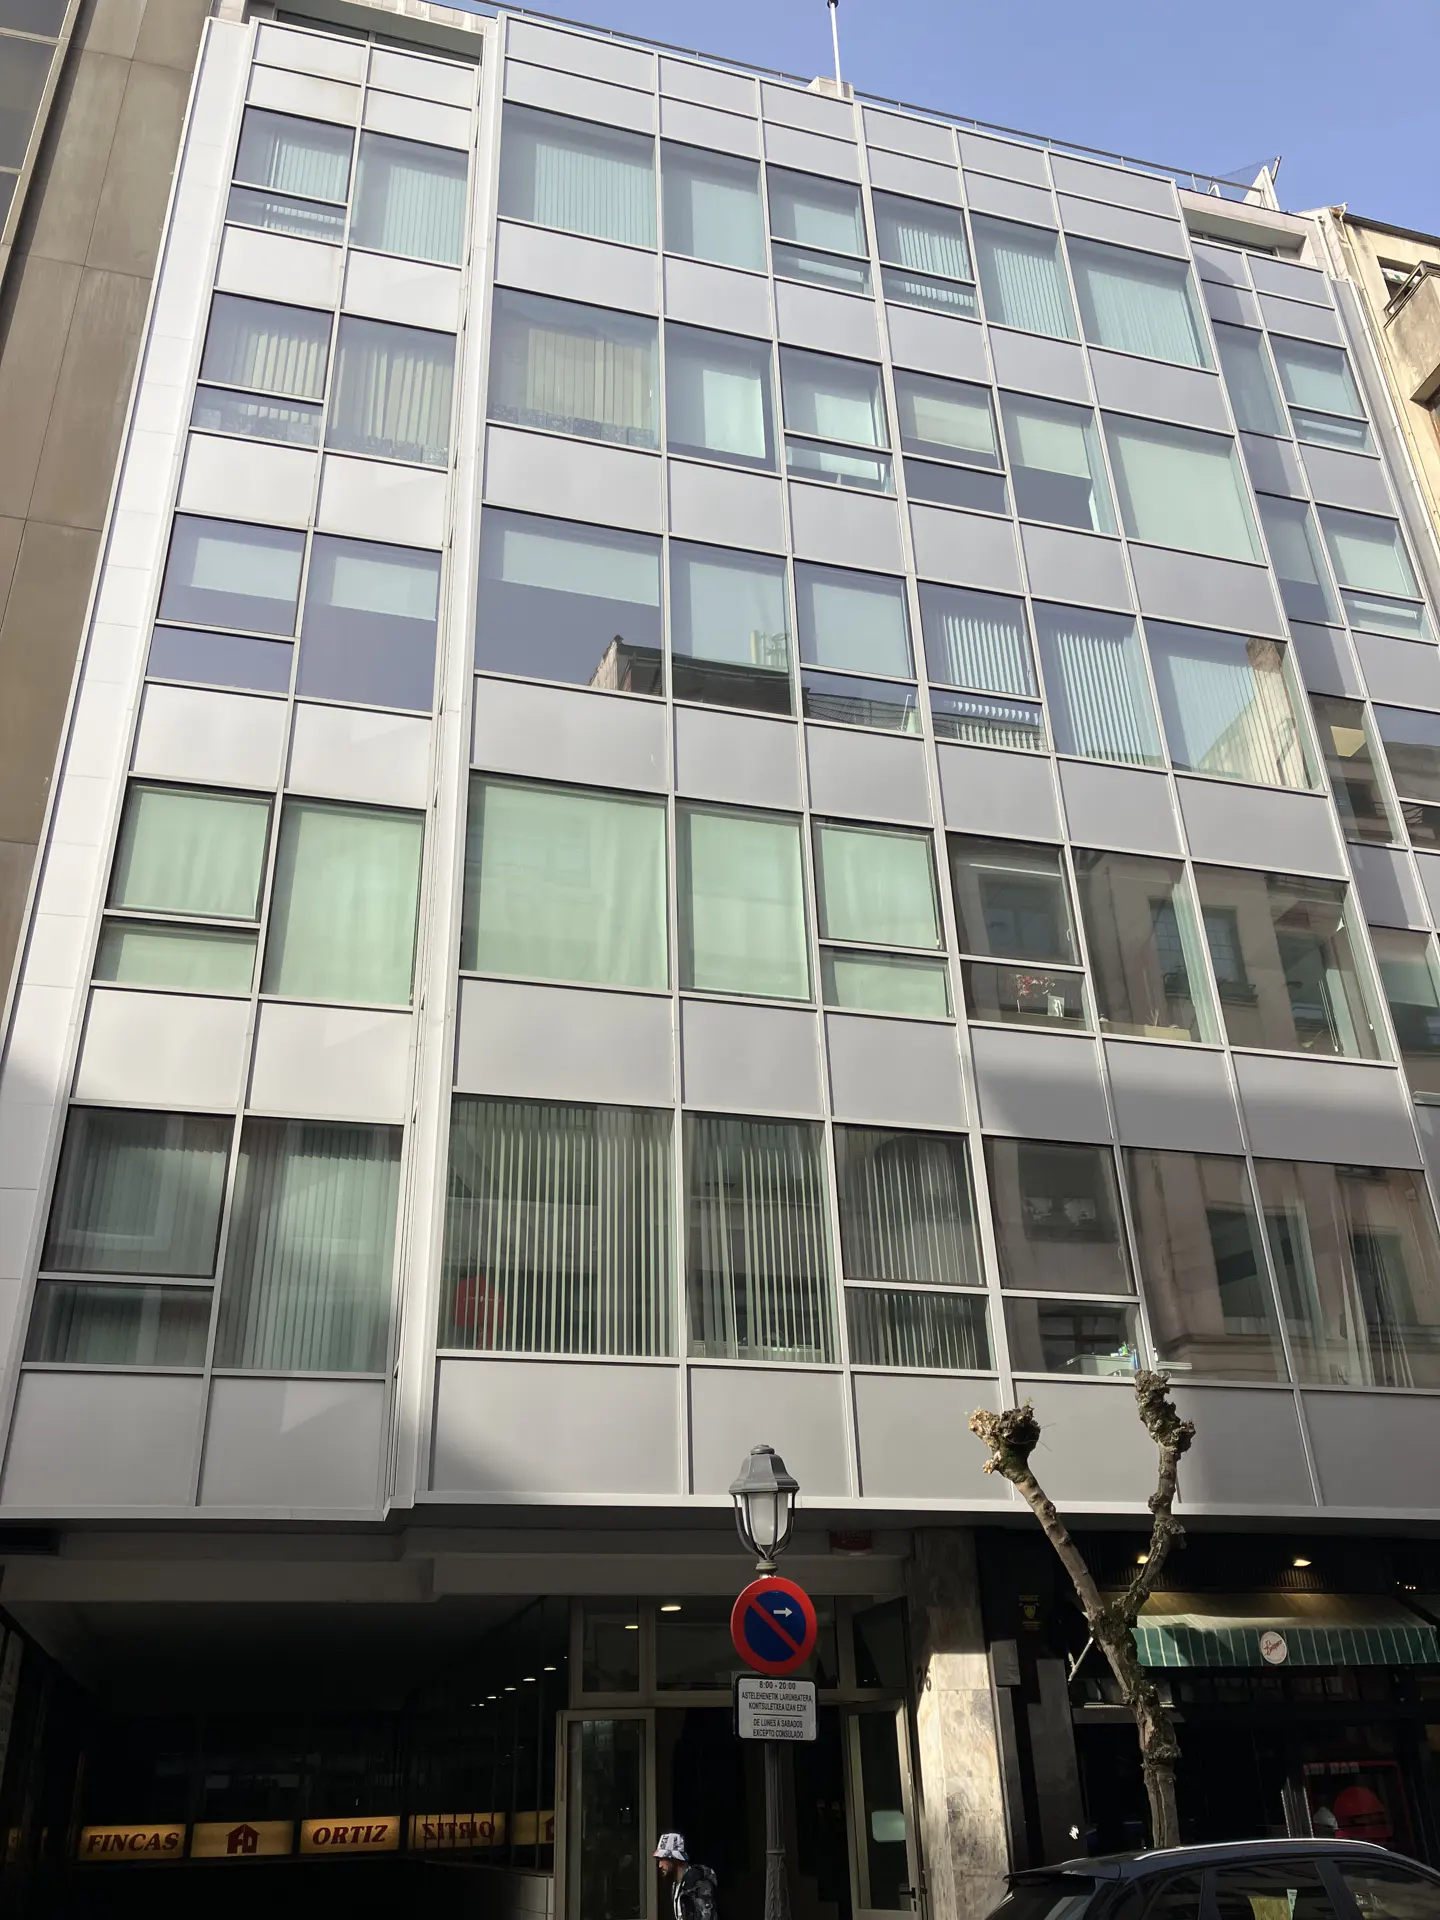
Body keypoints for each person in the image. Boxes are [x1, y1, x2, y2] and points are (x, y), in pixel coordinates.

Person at [654, 1832, 719, 1920]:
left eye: (663, 1859)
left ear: (674, 1859)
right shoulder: (676, 1885)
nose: (660, 1865)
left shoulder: (698, 1883)